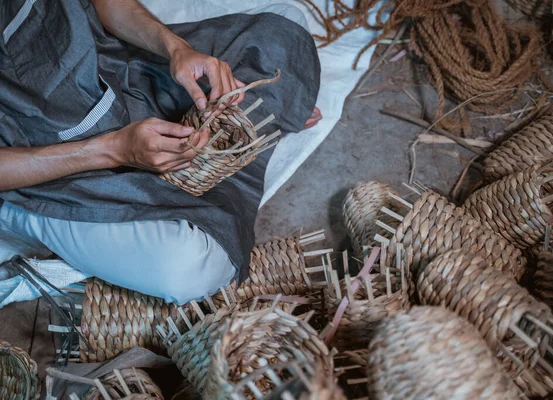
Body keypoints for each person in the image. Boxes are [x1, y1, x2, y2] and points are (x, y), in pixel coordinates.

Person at [0, 0, 322, 304]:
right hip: (45, 159)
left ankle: (224, 153)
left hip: (112, 72)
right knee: (188, 267)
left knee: (285, 29)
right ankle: (21, 216)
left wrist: (176, 48)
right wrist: (114, 151)